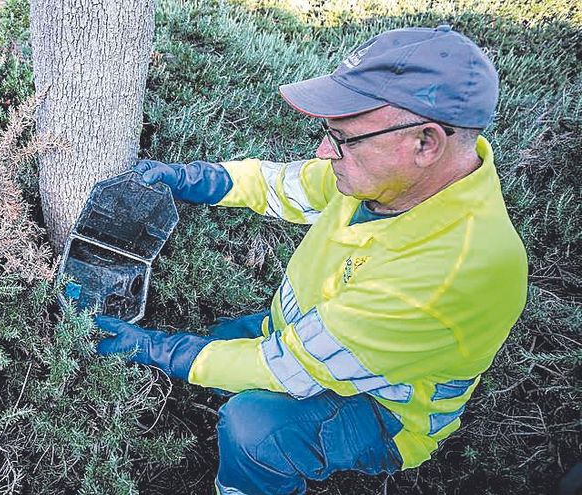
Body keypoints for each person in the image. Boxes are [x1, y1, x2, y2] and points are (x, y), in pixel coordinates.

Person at [94, 25, 529, 495]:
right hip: (307, 336)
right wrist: (191, 178)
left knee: (254, 428)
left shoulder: (453, 274)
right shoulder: (391, 181)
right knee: (217, 343)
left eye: (344, 137)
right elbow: (282, 185)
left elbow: (284, 368)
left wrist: (152, 348)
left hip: (382, 409)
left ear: (425, 143)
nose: (325, 152)